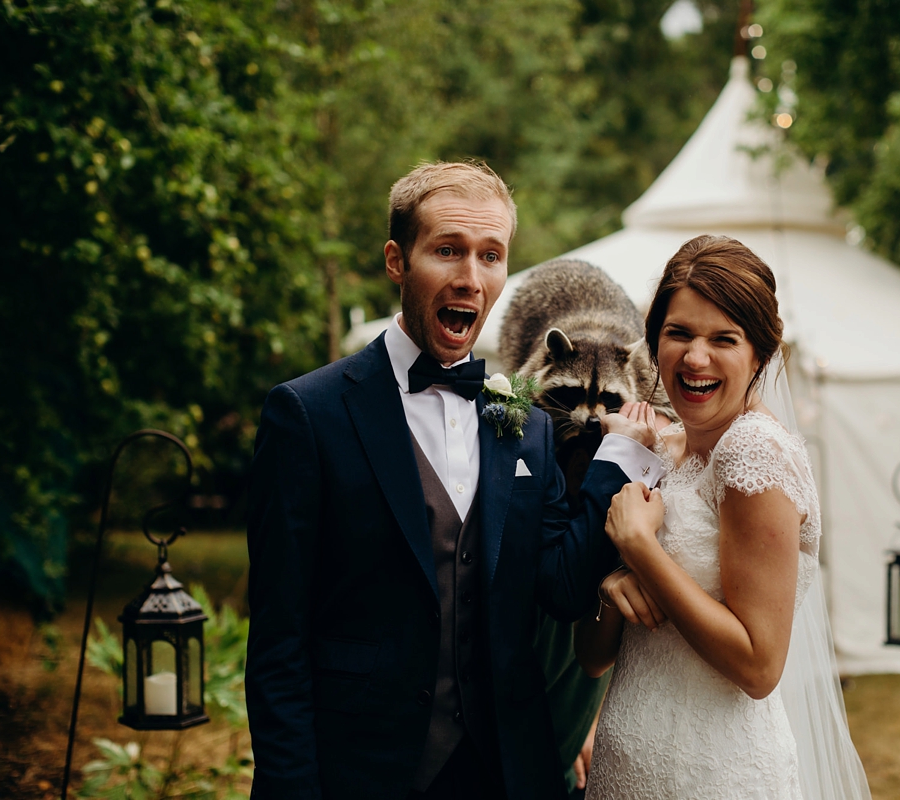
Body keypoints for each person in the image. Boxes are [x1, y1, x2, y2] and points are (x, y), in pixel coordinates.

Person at [245, 161, 663, 800]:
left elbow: (561, 586)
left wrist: (618, 463)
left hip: (502, 774)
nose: (471, 277)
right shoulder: (309, 415)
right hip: (358, 773)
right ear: (396, 261)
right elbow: (279, 641)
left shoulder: (526, 424)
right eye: (447, 251)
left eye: (490, 255)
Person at [575, 235, 871, 800]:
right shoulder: (661, 449)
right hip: (625, 767)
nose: (695, 358)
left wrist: (642, 551)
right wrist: (611, 589)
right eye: (679, 333)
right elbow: (592, 661)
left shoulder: (753, 452)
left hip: (716, 774)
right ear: (654, 341)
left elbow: (760, 667)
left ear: (760, 353)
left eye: (723, 339)